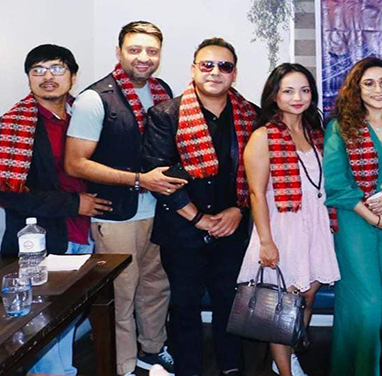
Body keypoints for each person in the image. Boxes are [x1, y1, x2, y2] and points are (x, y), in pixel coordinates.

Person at [0, 44, 111, 376]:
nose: (47, 77)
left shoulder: (85, 118)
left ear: (73, 75)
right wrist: (74, 203)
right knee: (43, 324)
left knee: (67, 321)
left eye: (57, 68)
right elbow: (3, 192)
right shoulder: (12, 126)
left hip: (85, 233)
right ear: (28, 78)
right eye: (37, 70)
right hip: (41, 241)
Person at [65, 22, 183, 375]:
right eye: (134, 49)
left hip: (159, 211)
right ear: (119, 52)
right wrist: (138, 180)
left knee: (156, 287)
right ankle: (124, 364)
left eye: (151, 51)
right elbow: (75, 163)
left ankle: (152, 351)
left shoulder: (162, 91)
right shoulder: (94, 99)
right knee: (121, 294)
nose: (143, 57)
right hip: (117, 215)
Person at [143, 38, 257, 376]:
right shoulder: (166, 115)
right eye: (207, 65)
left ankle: (231, 368)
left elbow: (258, 175)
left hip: (232, 228)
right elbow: (161, 176)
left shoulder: (251, 116)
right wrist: (198, 219)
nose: (215, 72)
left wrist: (239, 210)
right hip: (181, 230)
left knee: (229, 304)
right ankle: (188, 369)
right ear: (193, 70)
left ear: (234, 74)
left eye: (224, 66)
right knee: (184, 307)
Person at [236, 63, 340, 376]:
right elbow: (256, 193)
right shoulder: (263, 136)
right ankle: (285, 371)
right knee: (281, 303)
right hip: (282, 226)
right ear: (275, 96)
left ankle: (288, 354)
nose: (298, 97)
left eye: (304, 90)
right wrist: (266, 242)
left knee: (307, 296)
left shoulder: (316, 133)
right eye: (289, 91)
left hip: (315, 223)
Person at [323, 57, 382, 376]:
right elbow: (336, 185)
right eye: (369, 83)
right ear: (357, 89)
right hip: (355, 221)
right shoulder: (340, 127)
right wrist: (375, 218)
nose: (378, 90)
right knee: (368, 305)